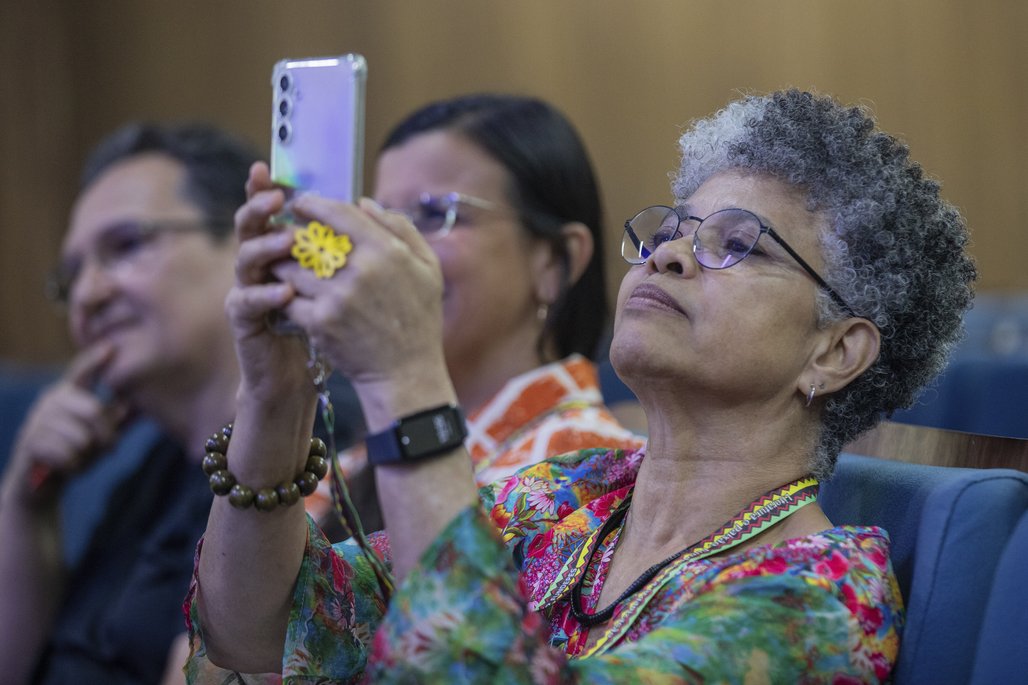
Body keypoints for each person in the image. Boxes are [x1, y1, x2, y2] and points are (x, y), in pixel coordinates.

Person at [187, 89, 976, 682]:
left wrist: (403, 374)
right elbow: (263, 626)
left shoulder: (820, 596)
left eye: (739, 245)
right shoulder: (566, 498)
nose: (667, 254)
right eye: (672, 229)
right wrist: (276, 393)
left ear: (836, 351)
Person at [302, 94, 644, 535]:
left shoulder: (597, 470)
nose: (392, 251)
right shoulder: (346, 469)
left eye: (435, 214)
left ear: (555, 260)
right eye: (381, 221)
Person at [0, 123, 258, 684]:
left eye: (125, 246)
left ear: (246, 240)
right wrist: (25, 501)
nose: (88, 295)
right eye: (71, 278)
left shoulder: (310, 443)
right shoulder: (150, 469)